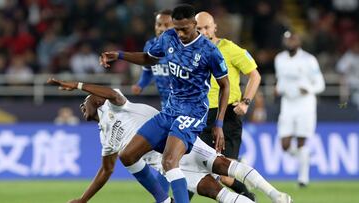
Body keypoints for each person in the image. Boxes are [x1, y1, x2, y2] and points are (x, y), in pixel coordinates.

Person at [47, 78, 292, 203]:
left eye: (85, 100)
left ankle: (275, 194)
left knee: (222, 165)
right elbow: (105, 170)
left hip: (177, 140)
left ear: (97, 101)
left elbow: (110, 92)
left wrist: (78, 85)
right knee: (214, 191)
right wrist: (83, 199)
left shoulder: (116, 105)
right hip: (169, 167)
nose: (82, 105)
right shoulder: (105, 137)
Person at [99, 5, 230, 203]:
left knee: (169, 161)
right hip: (170, 109)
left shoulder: (209, 50)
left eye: (184, 29)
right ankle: (164, 200)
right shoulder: (168, 37)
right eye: (177, 28)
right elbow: (148, 58)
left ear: (195, 24)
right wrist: (120, 55)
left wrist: (219, 123)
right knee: (127, 155)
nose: (180, 33)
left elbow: (225, 85)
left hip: (193, 112)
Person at [195, 11, 261, 199]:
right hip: (202, 114)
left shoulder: (229, 48)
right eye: (198, 28)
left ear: (214, 27)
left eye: (206, 27)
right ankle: (246, 197)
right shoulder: (193, 51)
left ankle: (247, 196)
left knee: (223, 173)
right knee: (198, 168)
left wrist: (246, 102)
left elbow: (255, 75)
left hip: (228, 114)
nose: (203, 32)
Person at [274, 31, 325, 187]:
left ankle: (303, 179)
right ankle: (304, 157)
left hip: (305, 104)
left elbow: (320, 84)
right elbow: (280, 80)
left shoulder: (309, 60)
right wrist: (278, 88)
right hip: (287, 103)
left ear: (299, 42)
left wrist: (308, 89)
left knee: (302, 141)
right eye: (288, 40)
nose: (290, 42)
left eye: (293, 40)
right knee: (285, 145)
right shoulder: (279, 59)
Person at [131, 9, 173, 108]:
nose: (161, 29)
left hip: (184, 104)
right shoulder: (149, 46)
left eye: (166, 25)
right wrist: (140, 85)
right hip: (165, 104)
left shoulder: (183, 47)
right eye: (158, 24)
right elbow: (148, 70)